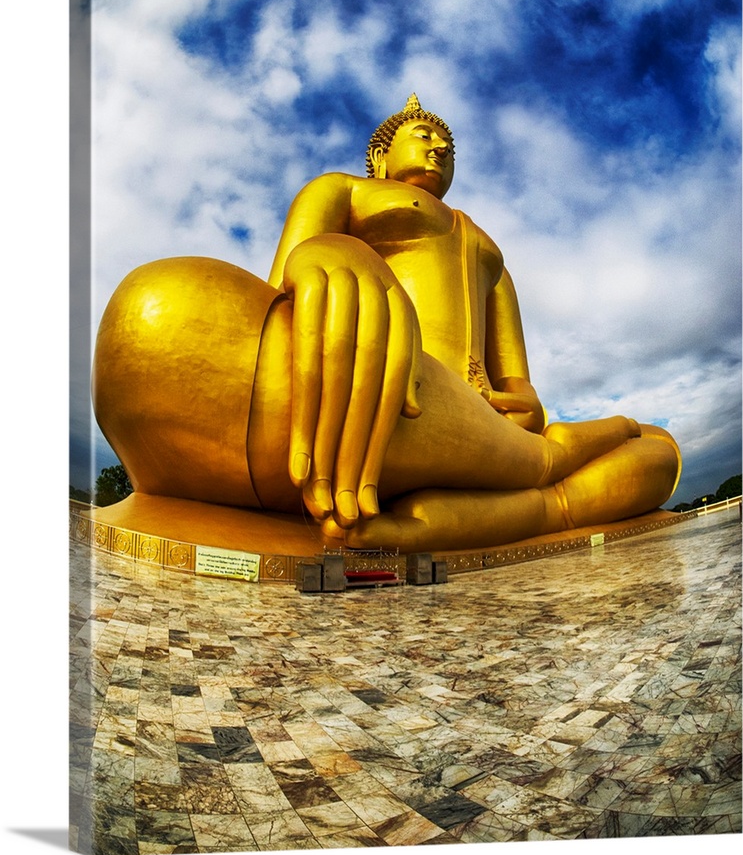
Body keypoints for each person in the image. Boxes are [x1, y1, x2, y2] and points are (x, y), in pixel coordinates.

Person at [93, 95, 681, 552]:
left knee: (658, 451)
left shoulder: (489, 253)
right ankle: (542, 479)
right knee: (156, 312)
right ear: (379, 155)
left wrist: (522, 398)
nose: (438, 148)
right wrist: (328, 251)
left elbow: (517, 377)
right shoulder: (345, 190)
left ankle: (538, 499)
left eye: (447, 145)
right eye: (423, 135)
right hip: (381, 391)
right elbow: (279, 297)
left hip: (477, 422)